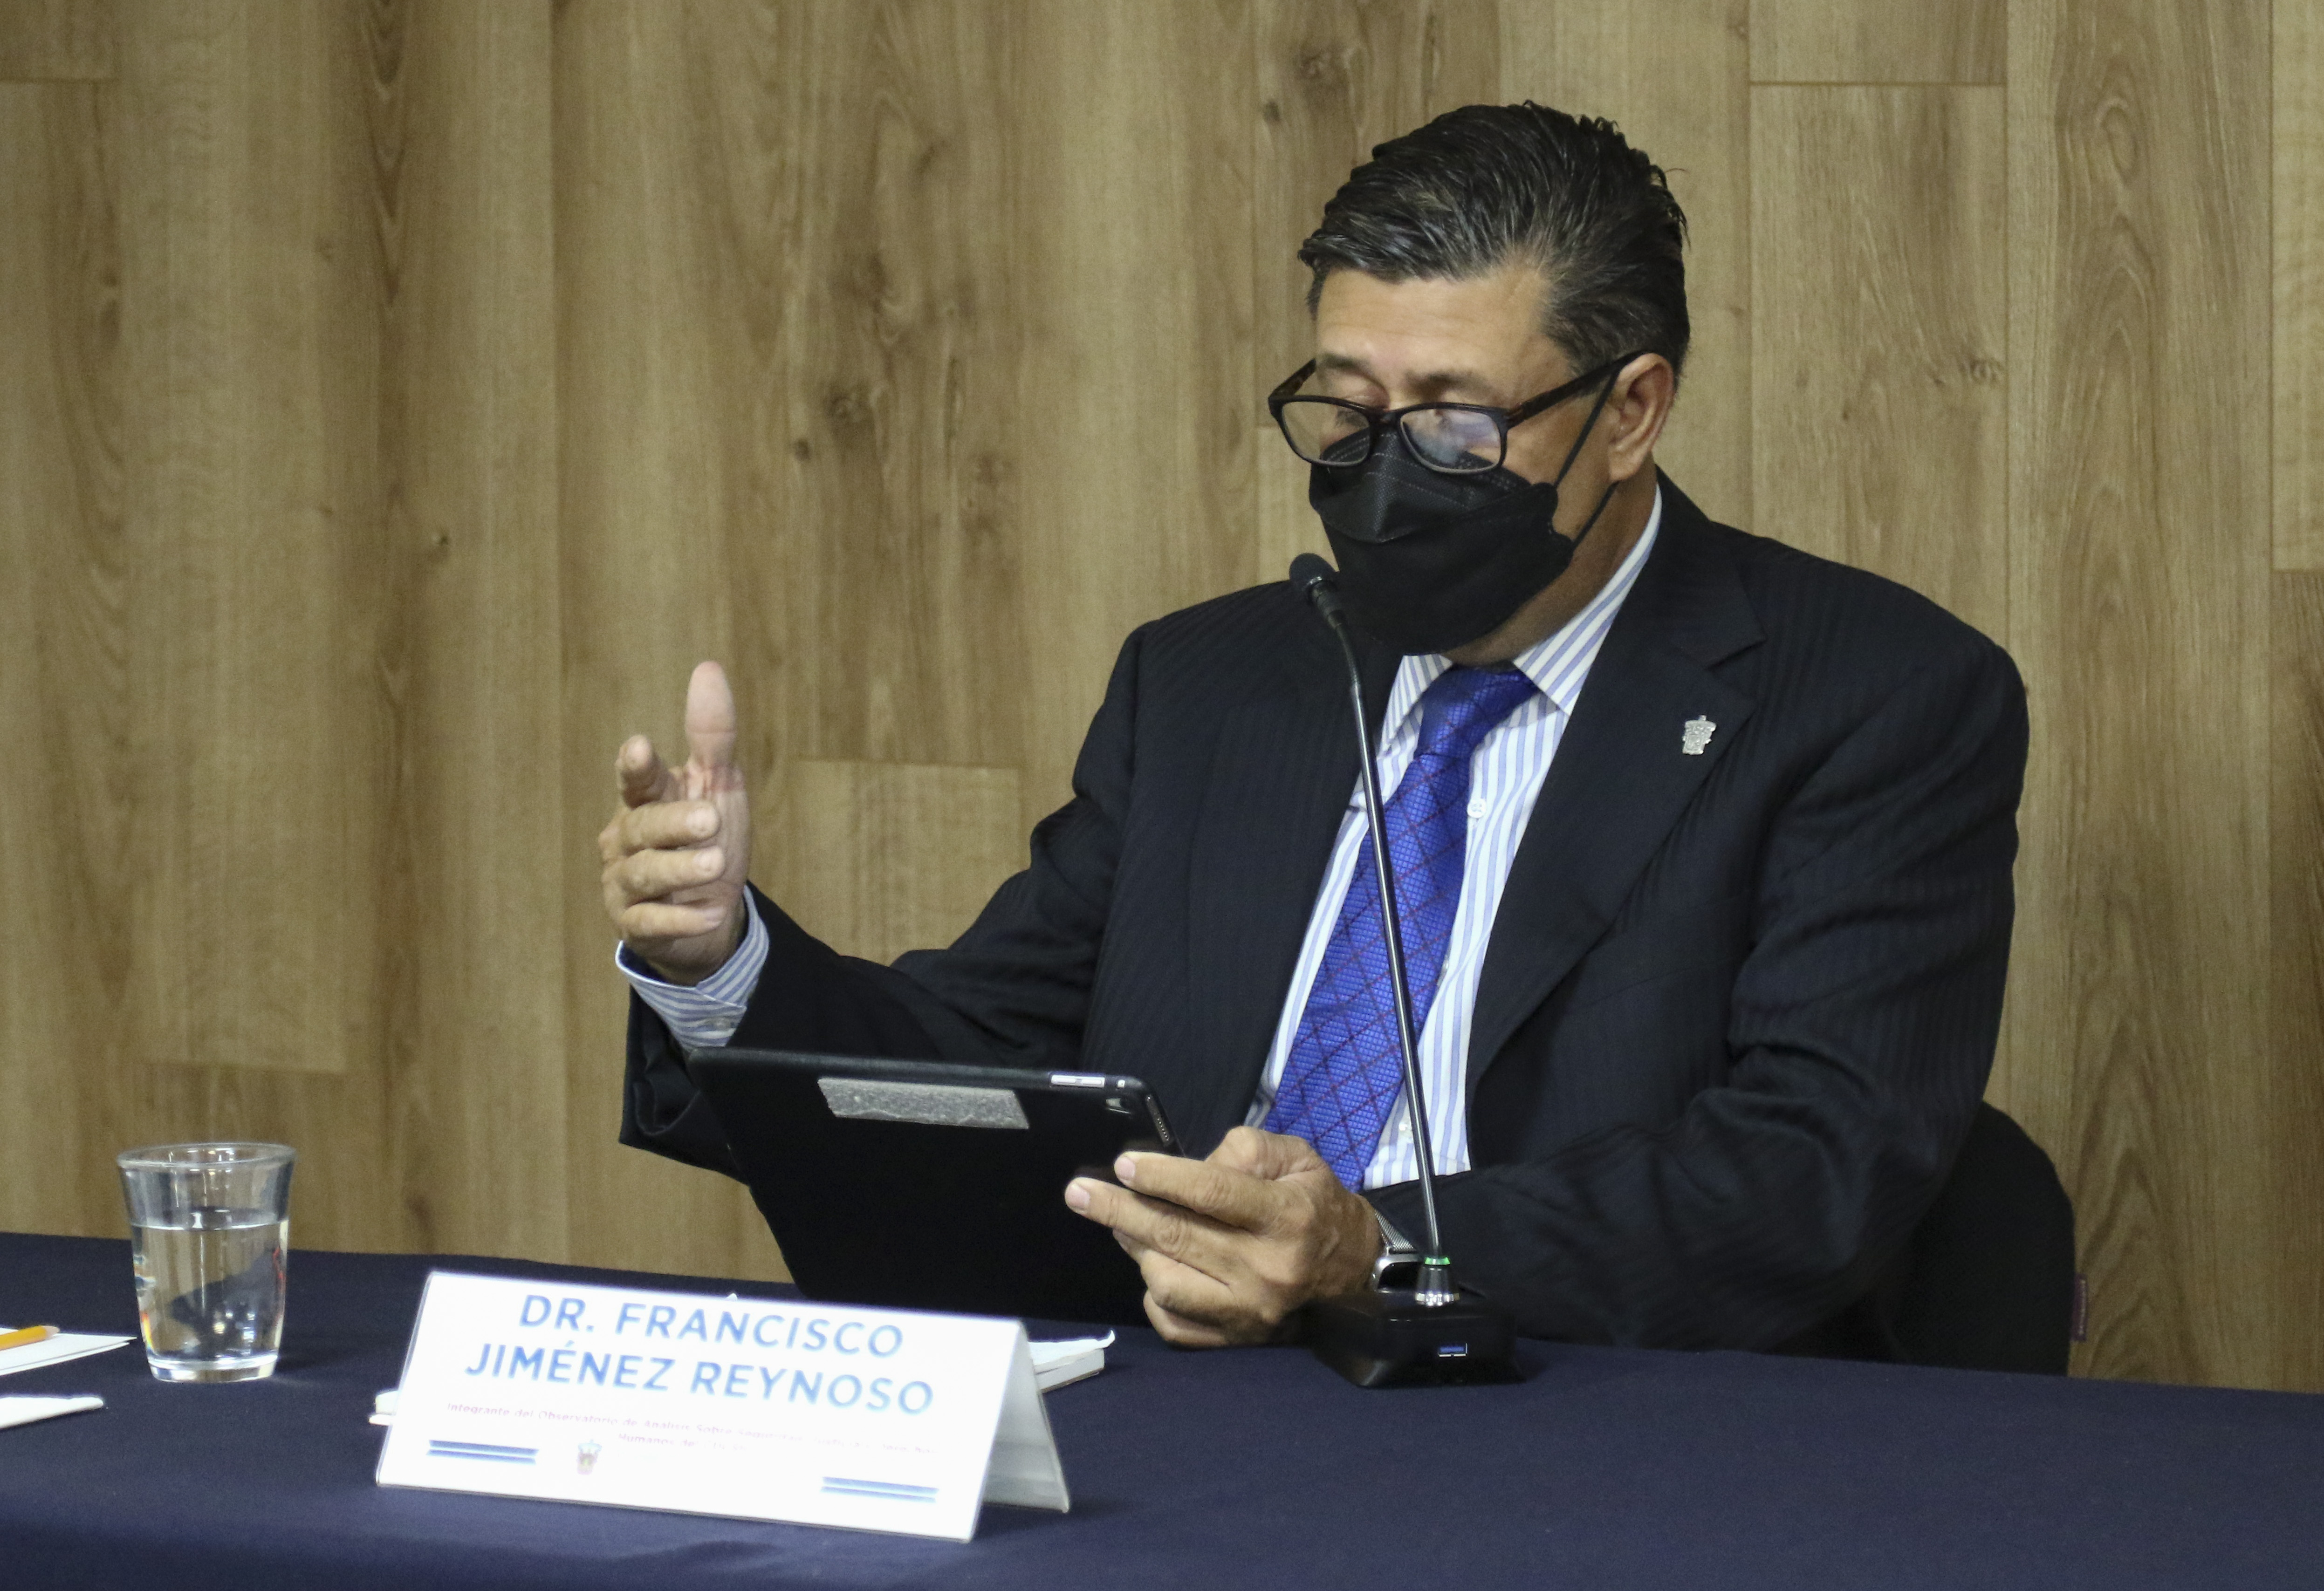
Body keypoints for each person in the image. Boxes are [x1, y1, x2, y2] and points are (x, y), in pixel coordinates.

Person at [598, 103, 2026, 1354]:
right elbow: (986, 1060)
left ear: (1628, 411)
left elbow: (1812, 1167)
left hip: (1587, 1416)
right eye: (1345, 409)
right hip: (1178, 1390)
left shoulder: (1871, 695)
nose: (1385, 467)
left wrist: (1376, 1251)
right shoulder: (1210, 682)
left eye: (1455, 421)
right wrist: (722, 962)